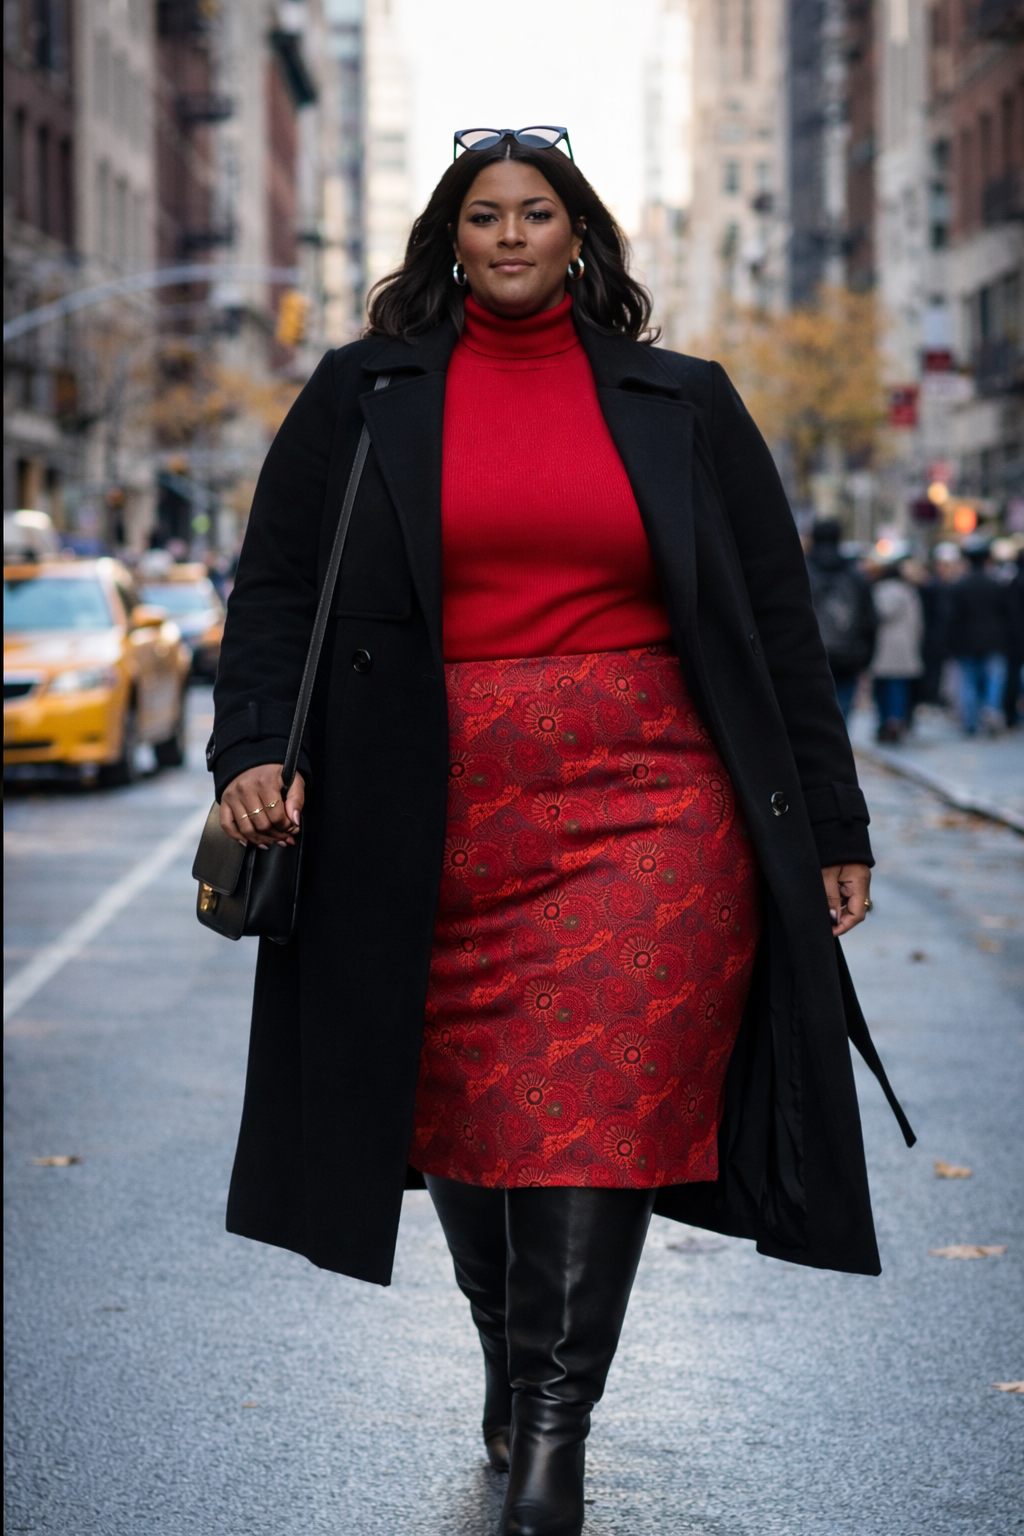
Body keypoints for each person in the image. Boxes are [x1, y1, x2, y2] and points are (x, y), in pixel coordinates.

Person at [208, 132, 909, 1536]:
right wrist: (252, 753)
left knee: (596, 1102)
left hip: (655, 805)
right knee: (472, 1113)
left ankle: (550, 1433)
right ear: (450, 238)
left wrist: (832, 820)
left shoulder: (684, 402)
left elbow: (778, 625)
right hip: (429, 809)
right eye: (487, 215)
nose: (513, 235)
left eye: (539, 213)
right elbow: (277, 587)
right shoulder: (363, 392)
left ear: (580, 234)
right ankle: (509, 1352)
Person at [804, 518, 877, 718]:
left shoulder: (801, 571)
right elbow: (869, 620)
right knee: (841, 715)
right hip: (848, 656)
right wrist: (866, 657)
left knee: (810, 715)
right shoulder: (855, 575)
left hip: (807, 655)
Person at [946, 539, 1012, 735]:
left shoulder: (959, 586)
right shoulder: (996, 585)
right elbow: (1006, 615)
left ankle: (971, 721)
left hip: (965, 642)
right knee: (994, 679)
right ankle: (991, 710)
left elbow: (952, 618)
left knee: (968, 682)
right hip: (993, 640)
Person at [870, 560, 925, 742]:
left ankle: (883, 722)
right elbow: (918, 623)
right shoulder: (908, 592)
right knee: (899, 687)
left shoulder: (876, 592)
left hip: (880, 646)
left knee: (881, 688)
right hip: (904, 647)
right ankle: (896, 721)